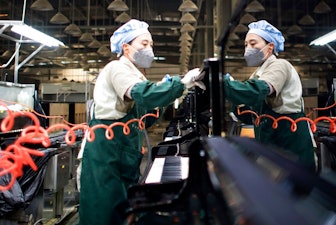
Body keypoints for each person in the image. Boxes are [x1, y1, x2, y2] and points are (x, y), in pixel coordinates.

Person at [77, 19, 202, 225]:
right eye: (144, 44)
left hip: (124, 150)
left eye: (151, 44)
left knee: (124, 209)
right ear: (126, 47)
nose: (149, 49)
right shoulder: (116, 68)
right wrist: (179, 84)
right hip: (106, 149)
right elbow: (142, 95)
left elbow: (148, 118)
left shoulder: (136, 75)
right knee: (103, 210)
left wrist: (166, 92)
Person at [224, 20, 316, 172]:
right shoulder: (257, 73)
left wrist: (225, 84)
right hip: (270, 142)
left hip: (289, 140)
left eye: (253, 43)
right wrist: (236, 101)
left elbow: (259, 91)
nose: (248, 49)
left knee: (296, 189)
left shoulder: (280, 65)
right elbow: (248, 115)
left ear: (270, 47)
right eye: (246, 45)